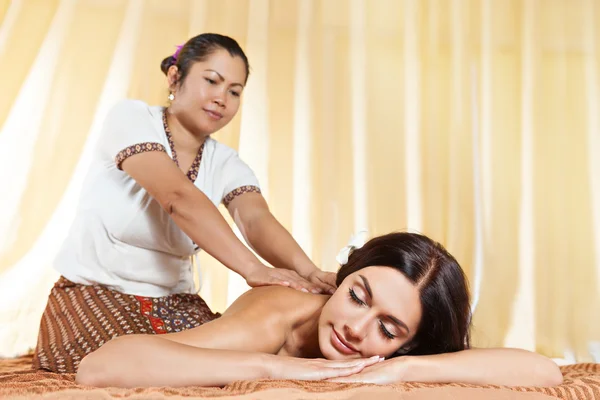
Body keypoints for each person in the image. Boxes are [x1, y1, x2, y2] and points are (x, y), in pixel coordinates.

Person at [33, 33, 336, 374]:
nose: (222, 98)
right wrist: (253, 270)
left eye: (234, 91)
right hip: (93, 295)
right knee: (133, 368)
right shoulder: (131, 119)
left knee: (233, 357)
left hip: (176, 304)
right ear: (175, 78)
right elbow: (178, 198)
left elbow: (255, 219)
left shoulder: (226, 162)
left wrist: (309, 273)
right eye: (212, 81)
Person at [75, 232, 563, 388]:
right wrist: (275, 365)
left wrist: (401, 369)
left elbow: (544, 373)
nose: (355, 328)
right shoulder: (275, 317)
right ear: (341, 278)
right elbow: (100, 365)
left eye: (388, 329)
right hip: (129, 312)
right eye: (357, 295)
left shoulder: (399, 355)